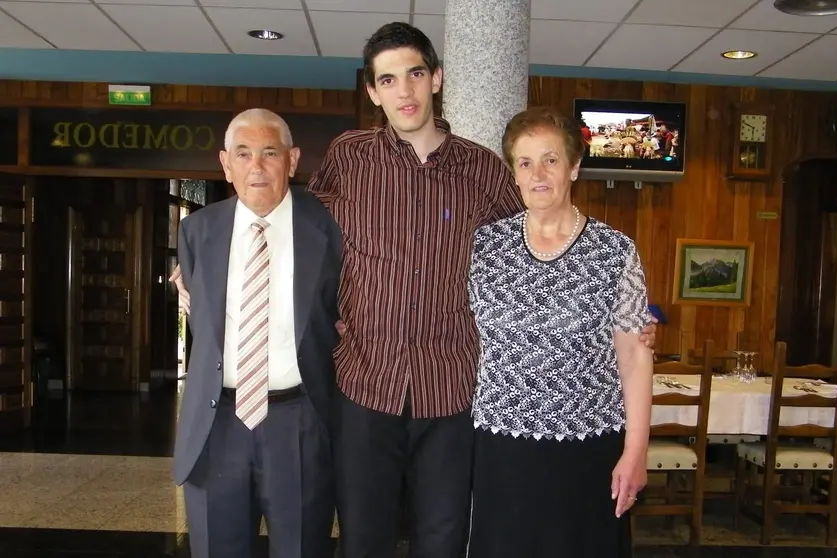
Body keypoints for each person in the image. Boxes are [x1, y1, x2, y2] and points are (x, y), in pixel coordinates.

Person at [171, 23, 657, 558]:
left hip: (450, 394)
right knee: (363, 542)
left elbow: (539, 237)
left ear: (437, 79)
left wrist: (625, 313)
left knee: (443, 542)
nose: (404, 91)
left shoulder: (483, 170)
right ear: (373, 92)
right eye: (388, 80)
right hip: (363, 390)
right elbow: (290, 219)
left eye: (416, 74)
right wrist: (201, 265)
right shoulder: (349, 158)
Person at [465, 107, 652, 558]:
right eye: (524, 163)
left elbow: (635, 357)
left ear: (574, 167)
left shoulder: (614, 251)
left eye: (550, 159)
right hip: (503, 446)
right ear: (514, 175)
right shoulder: (486, 247)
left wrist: (636, 450)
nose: (538, 173)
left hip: (589, 447)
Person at [172, 108, 341, 558]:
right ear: (226, 164)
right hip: (216, 423)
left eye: (270, 152)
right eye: (243, 154)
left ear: (292, 160)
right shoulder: (196, 231)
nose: (257, 166)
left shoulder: (330, 228)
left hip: (298, 420)